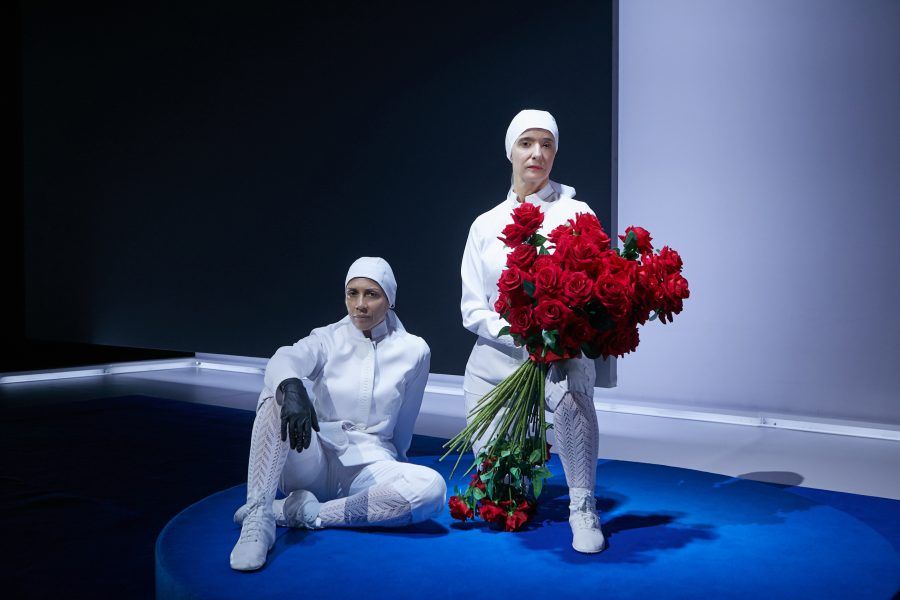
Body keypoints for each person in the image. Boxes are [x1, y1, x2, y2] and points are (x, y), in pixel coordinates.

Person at [230, 256, 446, 571]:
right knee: (275, 391)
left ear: (390, 299)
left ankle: (307, 514)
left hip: (368, 470)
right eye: (352, 293)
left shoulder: (415, 350)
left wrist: (397, 478)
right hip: (311, 460)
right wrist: (292, 385)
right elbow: (285, 357)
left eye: (371, 294)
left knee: (432, 488)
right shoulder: (326, 338)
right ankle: (259, 516)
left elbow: (404, 424)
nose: (360, 304)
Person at [460, 109, 606, 553]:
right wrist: (522, 331)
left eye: (547, 144)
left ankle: (582, 506)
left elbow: (596, 286)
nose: (537, 153)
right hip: (496, 367)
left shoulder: (577, 213)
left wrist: (556, 331)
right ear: (510, 151)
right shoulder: (485, 224)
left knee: (570, 384)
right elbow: (471, 309)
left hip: (560, 360)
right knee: (510, 500)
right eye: (527, 143)